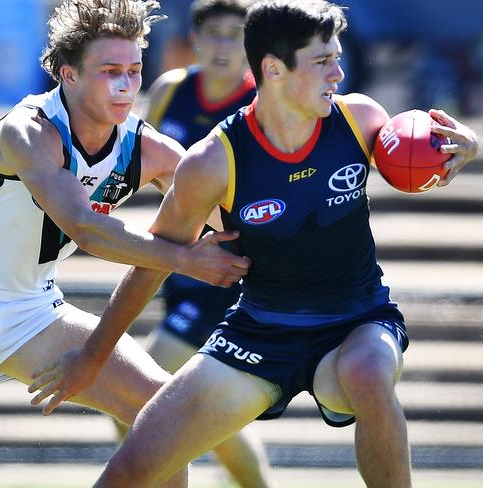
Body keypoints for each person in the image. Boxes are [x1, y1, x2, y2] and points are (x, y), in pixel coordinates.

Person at [27, 1, 480, 487]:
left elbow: (427, 147)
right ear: (273, 69)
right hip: (258, 332)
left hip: (357, 322)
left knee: (370, 373)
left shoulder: (360, 118)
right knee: (131, 469)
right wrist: (92, 356)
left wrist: (467, 146)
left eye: (337, 57)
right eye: (323, 61)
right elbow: (151, 262)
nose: (339, 72)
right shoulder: (212, 162)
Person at [0, 1, 251, 487]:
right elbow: (84, 228)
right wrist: (184, 259)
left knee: (161, 410)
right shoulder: (28, 130)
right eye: (110, 71)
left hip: (31, 310)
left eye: (134, 70)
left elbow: (235, 216)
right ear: (68, 75)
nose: (126, 86)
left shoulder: (146, 147)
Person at [139, 1, 274, 486]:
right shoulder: (170, 90)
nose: (222, 45)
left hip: (231, 268)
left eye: (235, 34)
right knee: (201, 412)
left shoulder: (262, 103)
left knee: (140, 387)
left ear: (253, 47)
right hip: (181, 261)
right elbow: (141, 164)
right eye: (213, 32)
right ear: (194, 38)